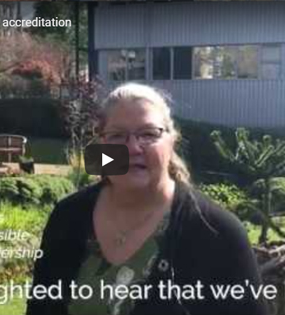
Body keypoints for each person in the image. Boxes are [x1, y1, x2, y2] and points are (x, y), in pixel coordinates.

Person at [26, 83, 268, 315]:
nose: (133, 147)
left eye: (148, 134)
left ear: (172, 141)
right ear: (101, 144)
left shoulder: (217, 232)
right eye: (117, 135)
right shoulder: (67, 217)